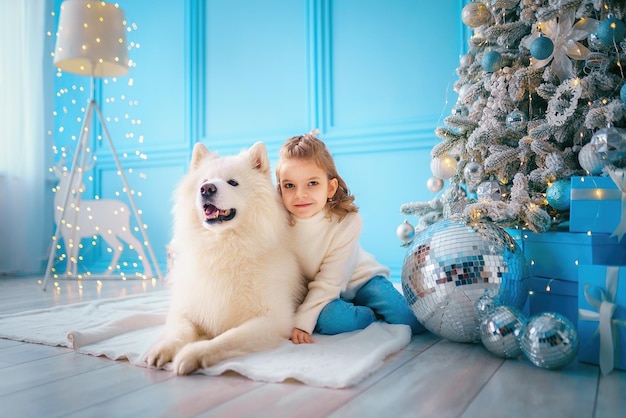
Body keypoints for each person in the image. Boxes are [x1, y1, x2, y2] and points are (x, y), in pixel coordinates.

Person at [276, 131, 425, 344]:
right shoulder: (277, 222)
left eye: (312, 183)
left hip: (360, 279)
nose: (300, 194)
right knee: (331, 321)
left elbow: (330, 279)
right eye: (289, 185)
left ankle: (379, 306)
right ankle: (369, 315)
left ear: (330, 187)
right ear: (279, 189)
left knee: (408, 319)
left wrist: (302, 321)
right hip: (320, 290)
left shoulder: (346, 221)